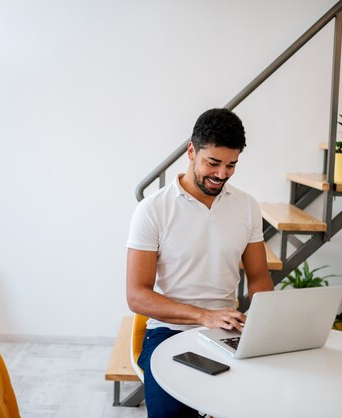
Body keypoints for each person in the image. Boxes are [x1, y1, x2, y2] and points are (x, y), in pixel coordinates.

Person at [126, 108, 273, 417]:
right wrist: (204, 316)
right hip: (168, 333)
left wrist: (263, 322)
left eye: (231, 165)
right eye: (213, 163)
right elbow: (137, 295)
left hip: (227, 331)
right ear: (191, 151)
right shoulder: (154, 209)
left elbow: (259, 277)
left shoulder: (246, 206)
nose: (222, 174)